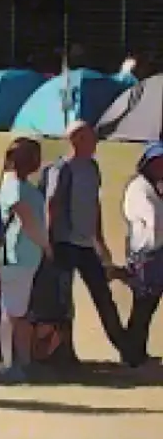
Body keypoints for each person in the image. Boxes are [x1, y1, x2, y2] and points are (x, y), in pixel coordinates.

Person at [43, 121, 128, 362]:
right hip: (64, 243)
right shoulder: (61, 168)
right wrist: (49, 242)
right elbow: (53, 205)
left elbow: (94, 204)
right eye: (90, 137)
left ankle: (127, 350)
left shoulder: (93, 168)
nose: (95, 142)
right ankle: (63, 353)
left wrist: (99, 238)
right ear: (77, 140)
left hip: (86, 244)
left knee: (103, 296)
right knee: (63, 301)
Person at [0, 137, 52, 382]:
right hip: (16, 257)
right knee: (12, 313)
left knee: (20, 313)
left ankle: (24, 361)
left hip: (27, 257)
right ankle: (10, 363)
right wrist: (46, 246)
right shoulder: (14, 186)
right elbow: (27, 221)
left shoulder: (23, 185)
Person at [121, 142, 163, 368]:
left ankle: (137, 351)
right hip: (146, 254)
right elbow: (154, 221)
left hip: (155, 253)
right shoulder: (140, 188)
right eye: (156, 162)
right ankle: (132, 354)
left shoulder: (155, 186)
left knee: (148, 305)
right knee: (143, 305)